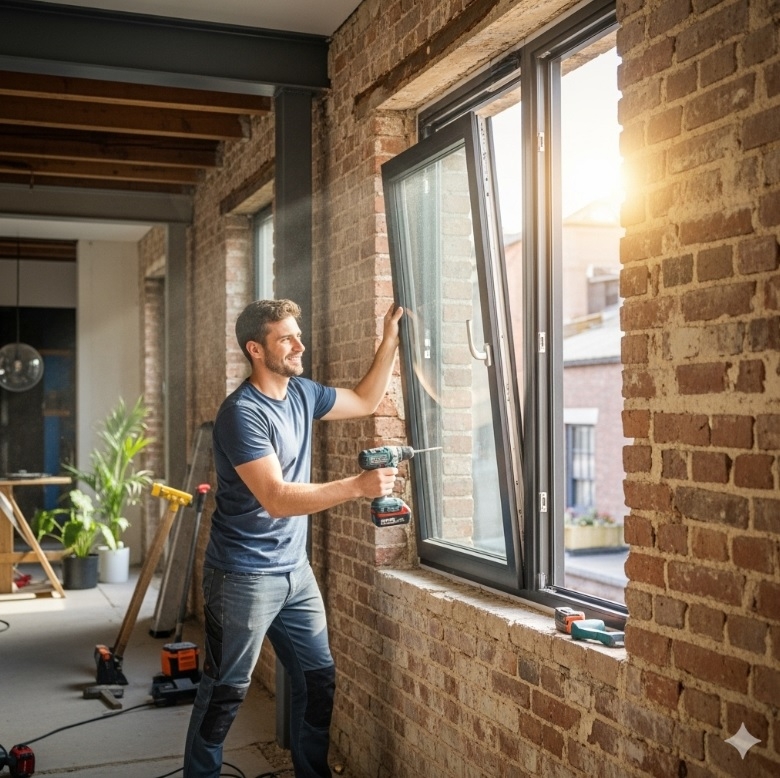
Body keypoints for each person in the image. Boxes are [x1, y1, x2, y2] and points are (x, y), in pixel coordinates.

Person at [183, 298, 403, 778]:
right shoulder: (241, 414)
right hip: (241, 575)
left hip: (294, 573)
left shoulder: (302, 394)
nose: (300, 344)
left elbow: (365, 400)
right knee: (225, 690)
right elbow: (276, 498)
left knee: (317, 678)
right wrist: (356, 487)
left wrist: (388, 339)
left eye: (297, 334)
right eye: (287, 338)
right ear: (256, 350)